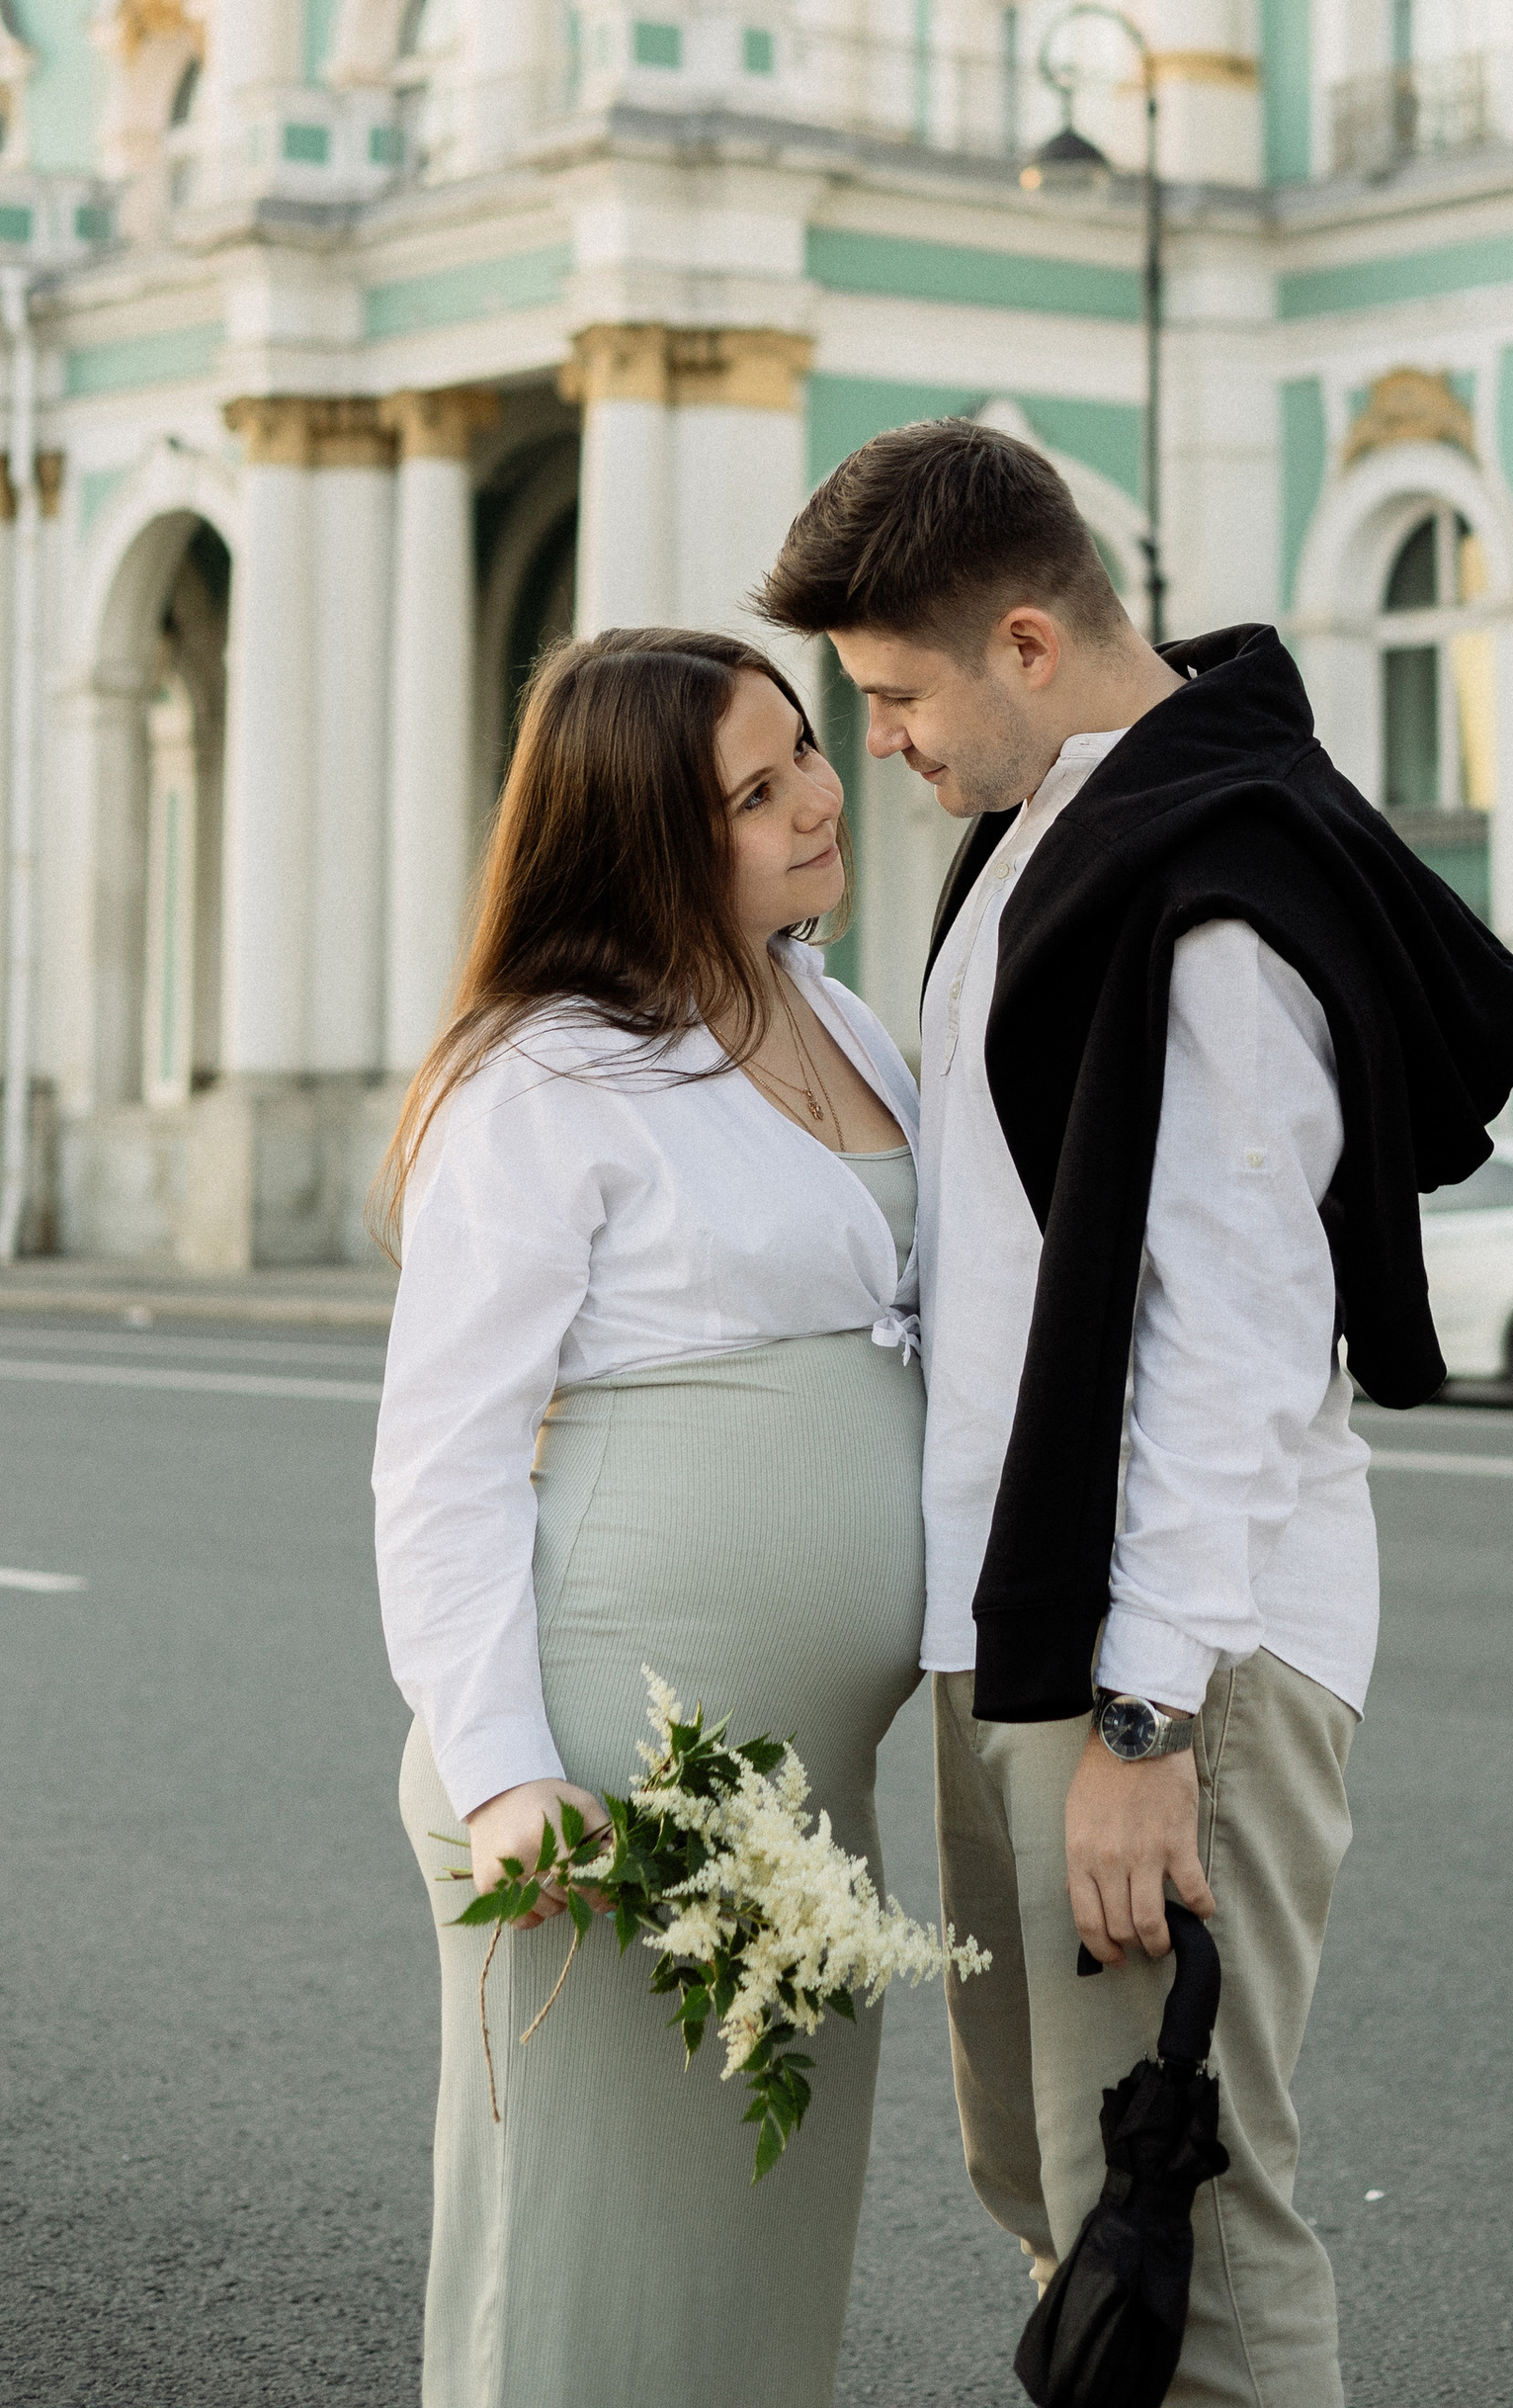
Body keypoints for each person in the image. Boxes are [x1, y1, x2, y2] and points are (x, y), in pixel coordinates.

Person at [757, 425, 1513, 2408]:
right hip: (1028, 1627)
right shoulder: (1038, 840)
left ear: (1024, 641)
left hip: (1165, 1656)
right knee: (1050, 2179)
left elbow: (1236, 1346)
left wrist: (1143, 1726)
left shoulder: (1201, 898)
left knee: (1179, 2206)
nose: (888, 750)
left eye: (900, 698)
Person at [370, 627, 924, 2408]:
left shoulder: (825, 1004)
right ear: (640, 844)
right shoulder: (545, 1075)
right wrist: (505, 1765)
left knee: (749, 2261)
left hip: (799, 1778)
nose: (817, 800)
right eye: (752, 797)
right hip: (611, 1771)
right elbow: (440, 1452)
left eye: (806, 753)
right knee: (582, 2273)